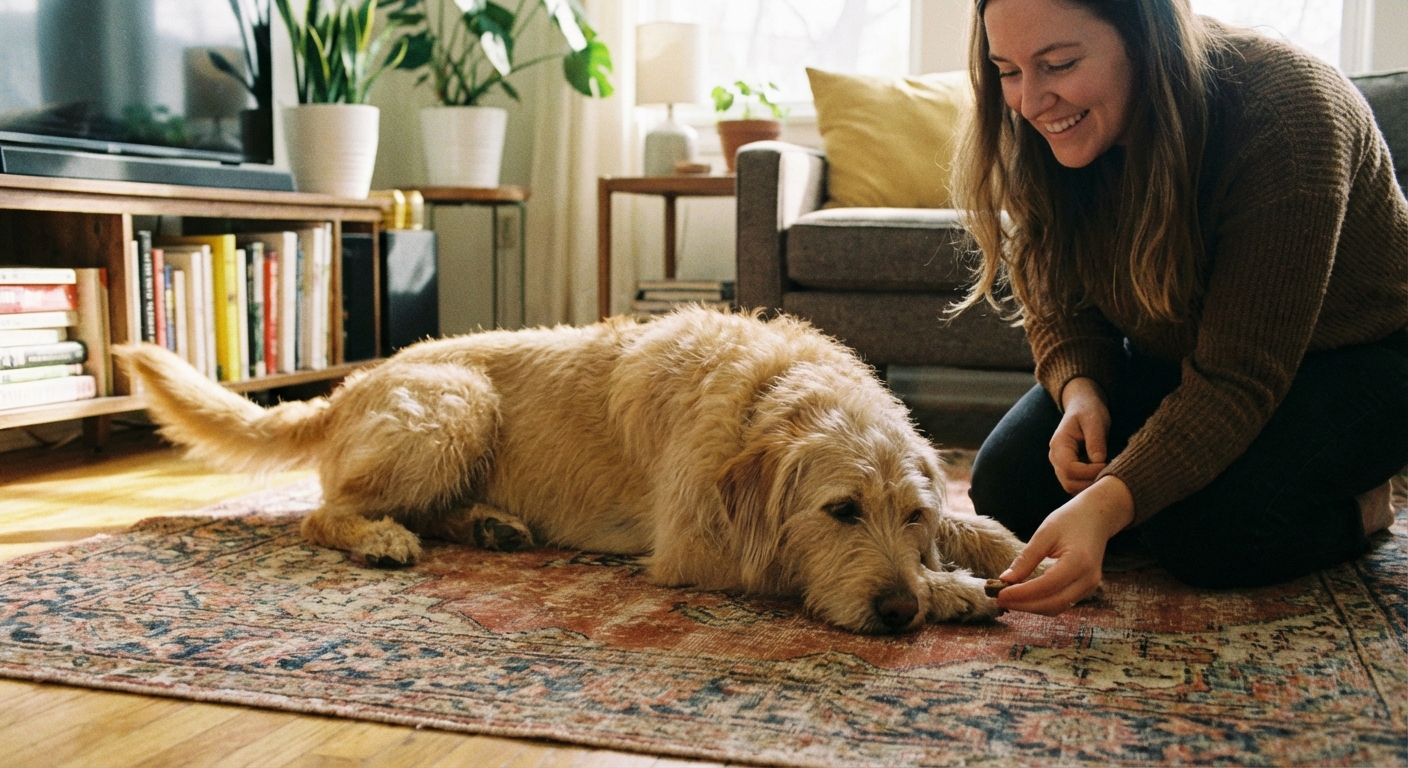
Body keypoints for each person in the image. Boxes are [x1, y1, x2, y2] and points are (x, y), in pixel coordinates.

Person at [953, 0, 1408, 616]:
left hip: (1361, 355)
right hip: (1188, 351)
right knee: (1008, 485)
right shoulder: (1058, 123)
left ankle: (1364, 503)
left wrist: (1115, 500)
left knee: (1207, 536)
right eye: (1007, 70)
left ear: (1145, 36)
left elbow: (1238, 376)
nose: (1031, 102)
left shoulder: (1288, 112)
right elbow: (1057, 290)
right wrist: (1080, 392)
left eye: (1058, 64)